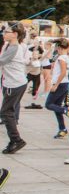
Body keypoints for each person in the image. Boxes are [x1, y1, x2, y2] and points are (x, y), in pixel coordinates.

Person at [1, 22, 30, 154]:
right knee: (8, 112)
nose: (4, 33)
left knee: (6, 113)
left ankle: (16, 140)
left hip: (15, 84)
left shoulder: (14, 48)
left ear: (14, 34)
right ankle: (15, 140)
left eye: (6, 32)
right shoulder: (9, 45)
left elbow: (1, 62)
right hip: (13, 83)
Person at [46, 39, 69, 138]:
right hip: (64, 84)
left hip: (60, 84)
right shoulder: (66, 57)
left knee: (48, 104)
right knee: (56, 106)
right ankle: (63, 129)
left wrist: (55, 85)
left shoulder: (62, 58)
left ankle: (66, 110)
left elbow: (63, 72)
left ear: (59, 47)